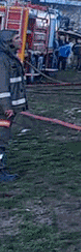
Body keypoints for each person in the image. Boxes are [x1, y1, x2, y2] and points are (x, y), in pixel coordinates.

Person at [0, 30, 27, 182]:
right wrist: (6, 107)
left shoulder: (9, 57)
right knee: (1, 139)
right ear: (7, 41)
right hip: (2, 110)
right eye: (17, 38)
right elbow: (2, 85)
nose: (21, 41)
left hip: (5, 109)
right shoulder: (3, 60)